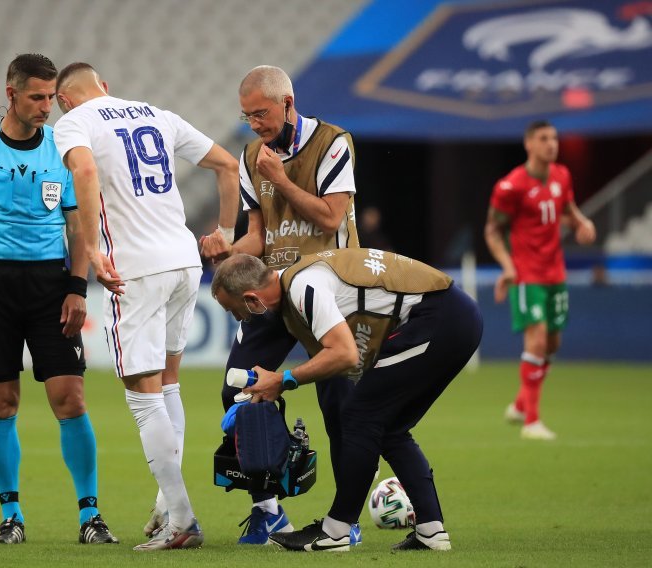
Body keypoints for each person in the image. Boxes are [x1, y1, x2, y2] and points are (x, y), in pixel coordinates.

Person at [53, 62, 239, 551]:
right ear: (105, 87)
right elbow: (227, 165)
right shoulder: (158, 115)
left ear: (64, 100)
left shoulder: (74, 122)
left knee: (142, 394)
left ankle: (181, 519)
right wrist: (226, 234)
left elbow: (86, 170)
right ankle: (166, 502)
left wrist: (92, 249)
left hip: (135, 268)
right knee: (169, 382)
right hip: (183, 262)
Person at [0, 54, 117, 545]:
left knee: (71, 398)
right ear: (11, 93)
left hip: (50, 286)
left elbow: (78, 224)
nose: (47, 106)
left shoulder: (64, 147)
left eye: (50, 97)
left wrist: (78, 287)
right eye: (37, 97)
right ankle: (11, 517)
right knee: (1, 403)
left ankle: (90, 516)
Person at [210, 249, 483, 552]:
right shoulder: (297, 281)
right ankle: (431, 531)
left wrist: (282, 380)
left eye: (233, 310)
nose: (238, 318)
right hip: (449, 317)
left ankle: (337, 530)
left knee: (359, 415)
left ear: (251, 299)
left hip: (440, 319)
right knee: (388, 427)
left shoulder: (303, 287)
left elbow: (344, 354)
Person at [199, 65, 360, 545]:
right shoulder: (252, 155)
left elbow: (333, 217)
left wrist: (281, 179)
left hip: (329, 291)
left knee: (343, 415)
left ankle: (343, 524)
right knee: (239, 393)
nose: (255, 124)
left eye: (262, 114)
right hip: (273, 293)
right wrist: (227, 251)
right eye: (247, 116)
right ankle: (269, 513)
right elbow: (260, 235)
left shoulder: (333, 142)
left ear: (288, 102)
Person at [484, 120, 596, 441]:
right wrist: (507, 266)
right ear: (529, 144)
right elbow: (493, 230)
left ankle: (521, 404)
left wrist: (581, 223)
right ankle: (532, 422)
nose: (552, 144)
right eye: (544, 138)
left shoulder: (562, 175)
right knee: (536, 340)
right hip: (527, 274)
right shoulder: (511, 186)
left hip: (555, 274)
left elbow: (568, 209)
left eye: (555, 138)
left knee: (551, 344)